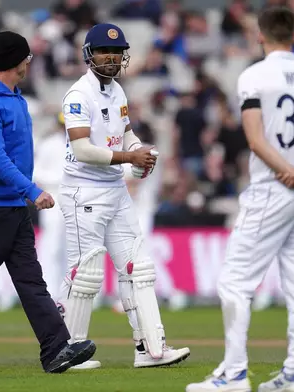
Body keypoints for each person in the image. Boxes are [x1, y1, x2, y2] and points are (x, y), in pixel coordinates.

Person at [186, 6, 294, 392]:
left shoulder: (255, 76)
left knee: (234, 282)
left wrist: (290, 176)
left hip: (274, 189)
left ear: (260, 35)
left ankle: (234, 375)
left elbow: (256, 139)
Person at [0, 31, 96, 374]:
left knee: (30, 280)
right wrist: (33, 191)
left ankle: (56, 349)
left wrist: (24, 194)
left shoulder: (12, 97)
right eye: (26, 58)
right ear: (16, 61)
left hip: (10, 206)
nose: (30, 63)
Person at [57, 22, 190, 370]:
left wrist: (140, 152)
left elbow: (126, 134)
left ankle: (149, 348)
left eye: (117, 53)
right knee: (85, 274)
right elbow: (83, 149)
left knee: (139, 268)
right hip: (83, 190)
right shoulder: (77, 95)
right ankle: (66, 352)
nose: (112, 58)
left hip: (115, 189)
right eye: (104, 51)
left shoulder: (117, 91)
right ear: (89, 55)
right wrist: (129, 158)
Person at [33, 113, 68, 299]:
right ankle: (49, 291)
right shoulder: (49, 144)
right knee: (52, 244)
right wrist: (58, 181)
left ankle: (68, 291)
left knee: (72, 247)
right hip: (53, 196)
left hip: (75, 197)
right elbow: (36, 172)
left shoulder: (83, 143)